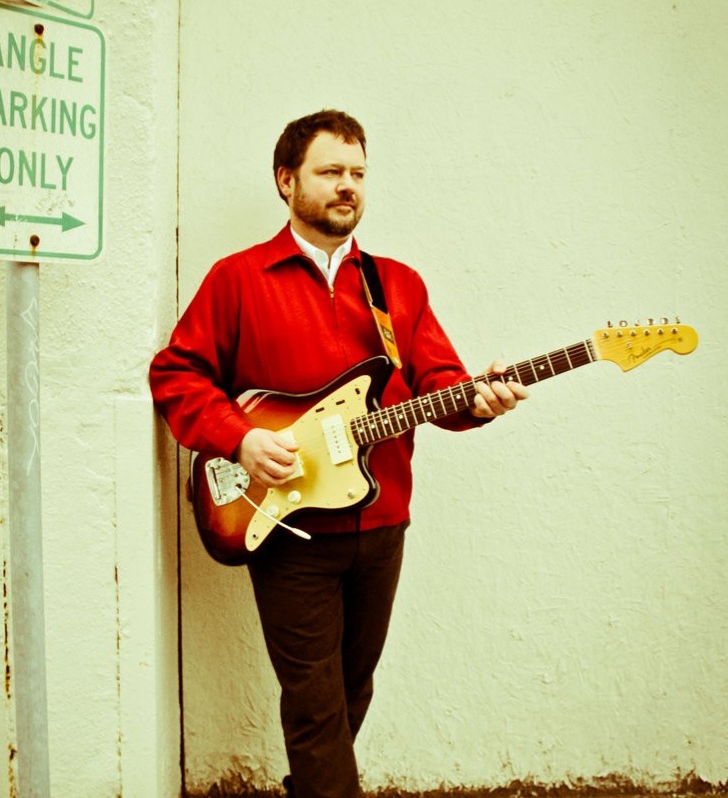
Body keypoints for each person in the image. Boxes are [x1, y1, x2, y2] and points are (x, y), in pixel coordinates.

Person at [149, 110, 528, 798]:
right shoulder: (237, 280)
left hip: (382, 527)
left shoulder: (397, 286)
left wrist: (476, 400)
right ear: (286, 181)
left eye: (357, 173)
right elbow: (176, 375)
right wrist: (238, 436)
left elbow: (437, 381)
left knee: (350, 694)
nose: (347, 186)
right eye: (330, 172)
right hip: (287, 528)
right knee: (316, 705)